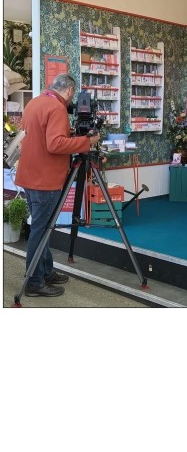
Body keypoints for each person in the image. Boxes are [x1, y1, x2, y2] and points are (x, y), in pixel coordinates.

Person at [15, 73, 102, 297]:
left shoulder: (35, 102)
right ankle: (34, 282)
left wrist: (69, 134)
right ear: (70, 91)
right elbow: (55, 144)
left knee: (40, 227)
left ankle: (45, 271)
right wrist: (86, 141)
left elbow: (40, 137)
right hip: (45, 180)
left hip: (29, 176)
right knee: (41, 231)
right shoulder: (57, 108)